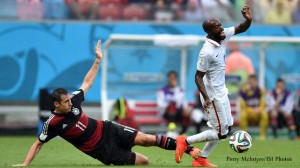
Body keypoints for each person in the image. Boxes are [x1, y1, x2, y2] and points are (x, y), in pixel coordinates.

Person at [12, 40, 200, 167]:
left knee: (147, 139)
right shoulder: (52, 123)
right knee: (145, 162)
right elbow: (38, 143)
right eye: (66, 102)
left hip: (108, 129)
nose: (70, 103)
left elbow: (87, 83)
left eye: (70, 99)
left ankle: (190, 150)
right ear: (56, 104)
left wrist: (97, 60)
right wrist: (25, 164)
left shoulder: (74, 100)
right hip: (102, 150)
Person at [175, 5, 252, 167]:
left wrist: (248, 20)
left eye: (220, 24)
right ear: (209, 31)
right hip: (213, 95)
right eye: (217, 26)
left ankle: (201, 159)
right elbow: (198, 77)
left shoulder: (223, 36)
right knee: (220, 133)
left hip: (222, 92)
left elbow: (241, 28)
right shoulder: (206, 51)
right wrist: (207, 97)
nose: (221, 27)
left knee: (227, 128)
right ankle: (184, 140)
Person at [156, 70, 191, 135]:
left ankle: (182, 133)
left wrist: (186, 109)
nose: (173, 80)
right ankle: (171, 132)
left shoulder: (180, 90)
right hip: (166, 112)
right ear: (168, 79)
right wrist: (169, 105)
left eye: (174, 78)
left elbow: (183, 102)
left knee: (186, 113)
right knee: (172, 111)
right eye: (171, 78)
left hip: (179, 112)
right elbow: (160, 104)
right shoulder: (162, 91)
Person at [239, 75, 268, 140]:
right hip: (248, 112)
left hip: (258, 112)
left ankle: (262, 136)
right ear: (248, 82)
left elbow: (264, 102)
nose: (252, 83)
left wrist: (259, 109)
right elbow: (242, 103)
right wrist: (251, 110)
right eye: (250, 81)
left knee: (264, 114)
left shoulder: (261, 90)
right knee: (242, 114)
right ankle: (243, 135)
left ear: (256, 81)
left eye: (253, 81)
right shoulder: (244, 90)